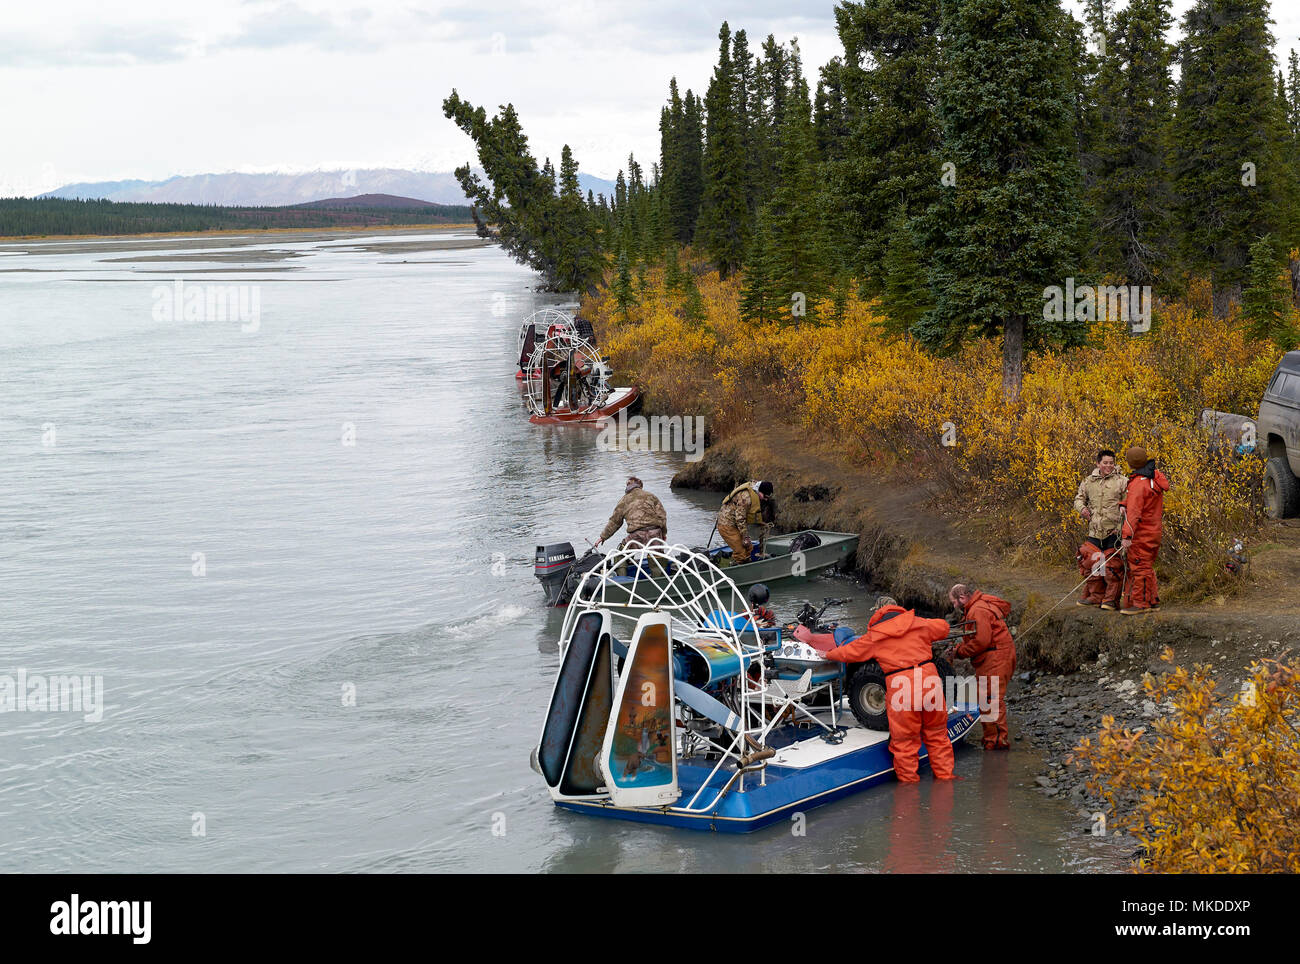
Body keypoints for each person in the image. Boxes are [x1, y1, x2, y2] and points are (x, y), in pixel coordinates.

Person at [821, 596, 957, 782]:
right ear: (898, 609)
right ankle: (945, 779)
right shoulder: (919, 623)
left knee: (905, 742)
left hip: (902, 686)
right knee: (937, 735)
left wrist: (826, 654)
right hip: (929, 681)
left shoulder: (875, 636)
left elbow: (848, 652)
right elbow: (944, 627)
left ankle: (909, 791)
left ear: (877, 611)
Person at [948, 583, 1016, 750]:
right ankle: (992, 739)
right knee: (987, 699)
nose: (954, 606)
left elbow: (981, 641)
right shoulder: (978, 606)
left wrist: (958, 652)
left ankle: (997, 743)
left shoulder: (977, 610)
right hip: (996, 656)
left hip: (995, 658)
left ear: (962, 598)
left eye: (954, 602)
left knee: (990, 700)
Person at [1072, 449, 1127, 610]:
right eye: (1105, 463)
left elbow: (1129, 505)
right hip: (1095, 531)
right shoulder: (1089, 481)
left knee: (1112, 567)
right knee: (1093, 563)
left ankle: (1111, 600)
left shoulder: (1122, 481)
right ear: (1098, 463)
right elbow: (1078, 499)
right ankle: (1096, 596)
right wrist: (1082, 509)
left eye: (1111, 462)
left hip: (1114, 532)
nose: (1108, 466)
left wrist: (1121, 528)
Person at [1119, 445, 1169, 615]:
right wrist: (1124, 504)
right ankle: (1152, 600)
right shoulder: (1152, 477)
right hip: (1154, 531)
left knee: (1139, 567)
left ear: (1131, 463)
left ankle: (1141, 604)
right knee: (1146, 565)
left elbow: (1134, 512)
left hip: (1142, 533)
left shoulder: (1138, 484)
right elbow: (1143, 502)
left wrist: (1126, 535)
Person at [594, 477, 667, 550]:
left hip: (636, 535)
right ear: (640, 486)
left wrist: (602, 537)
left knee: (622, 554)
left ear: (627, 486)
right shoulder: (651, 496)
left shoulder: (623, 500)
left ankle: (627, 561)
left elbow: (614, 522)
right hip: (655, 532)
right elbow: (662, 516)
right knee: (658, 558)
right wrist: (663, 534)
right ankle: (658, 559)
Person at [715, 480, 774, 564]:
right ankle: (737, 567)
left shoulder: (756, 489)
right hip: (726, 524)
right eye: (765, 496)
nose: (765, 499)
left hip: (735, 524)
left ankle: (745, 562)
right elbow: (740, 519)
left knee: (749, 547)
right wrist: (745, 537)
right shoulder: (746, 499)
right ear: (760, 491)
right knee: (740, 552)